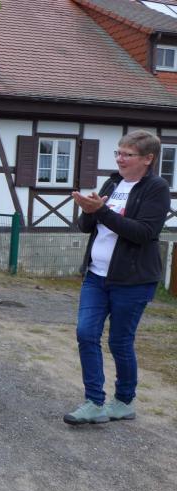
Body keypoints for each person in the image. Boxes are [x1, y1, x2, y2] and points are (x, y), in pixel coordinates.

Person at [64, 130, 171, 425]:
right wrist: (89, 211)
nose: (120, 159)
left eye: (128, 154)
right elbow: (87, 226)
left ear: (148, 159)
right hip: (96, 276)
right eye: (118, 153)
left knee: (120, 342)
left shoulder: (157, 188)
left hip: (133, 280)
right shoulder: (113, 182)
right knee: (86, 333)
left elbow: (144, 232)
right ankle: (94, 402)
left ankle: (123, 401)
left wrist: (102, 211)